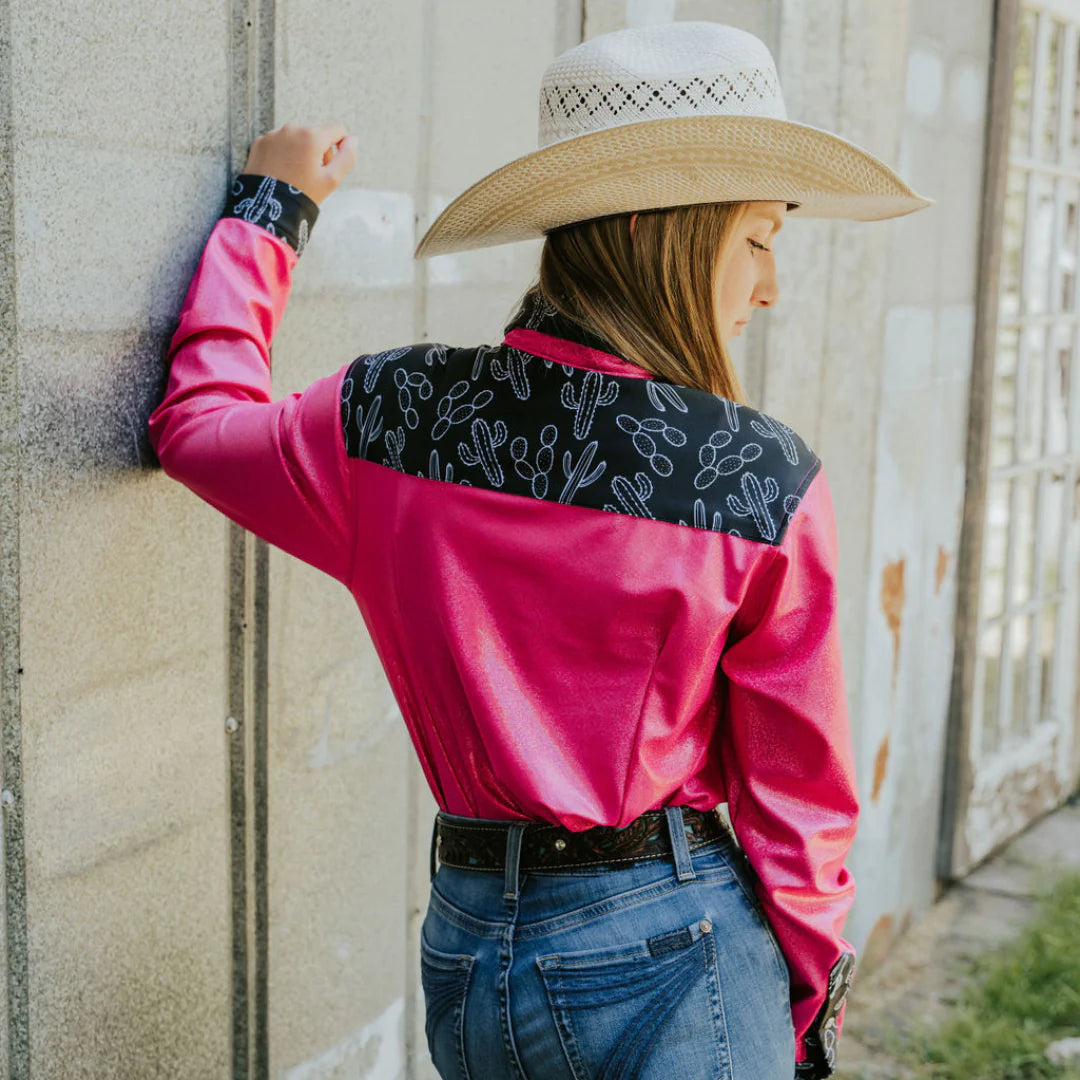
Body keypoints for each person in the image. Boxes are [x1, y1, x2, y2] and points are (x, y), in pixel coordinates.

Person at [147, 21, 932, 1080]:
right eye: (757, 239)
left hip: (471, 953)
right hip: (678, 952)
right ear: (671, 233)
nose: (769, 287)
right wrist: (803, 1020)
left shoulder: (391, 417)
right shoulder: (759, 481)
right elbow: (800, 805)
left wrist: (269, 214)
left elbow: (195, 429)